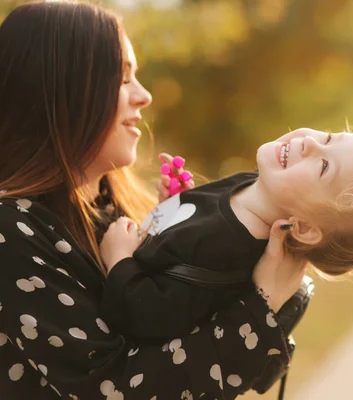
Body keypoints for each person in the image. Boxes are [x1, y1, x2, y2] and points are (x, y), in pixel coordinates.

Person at [0, 1, 306, 399]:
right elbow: (119, 387)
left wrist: (192, 236)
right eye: (123, 79)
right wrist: (263, 303)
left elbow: (169, 325)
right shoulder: (11, 232)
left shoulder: (109, 207)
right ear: (63, 89)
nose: (143, 96)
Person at [98, 127, 353, 339]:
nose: (310, 143)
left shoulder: (228, 252)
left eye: (324, 166)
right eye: (328, 136)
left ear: (306, 227)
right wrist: (176, 206)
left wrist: (120, 259)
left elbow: (147, 315)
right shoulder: (251, 187)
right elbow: (190, 234)